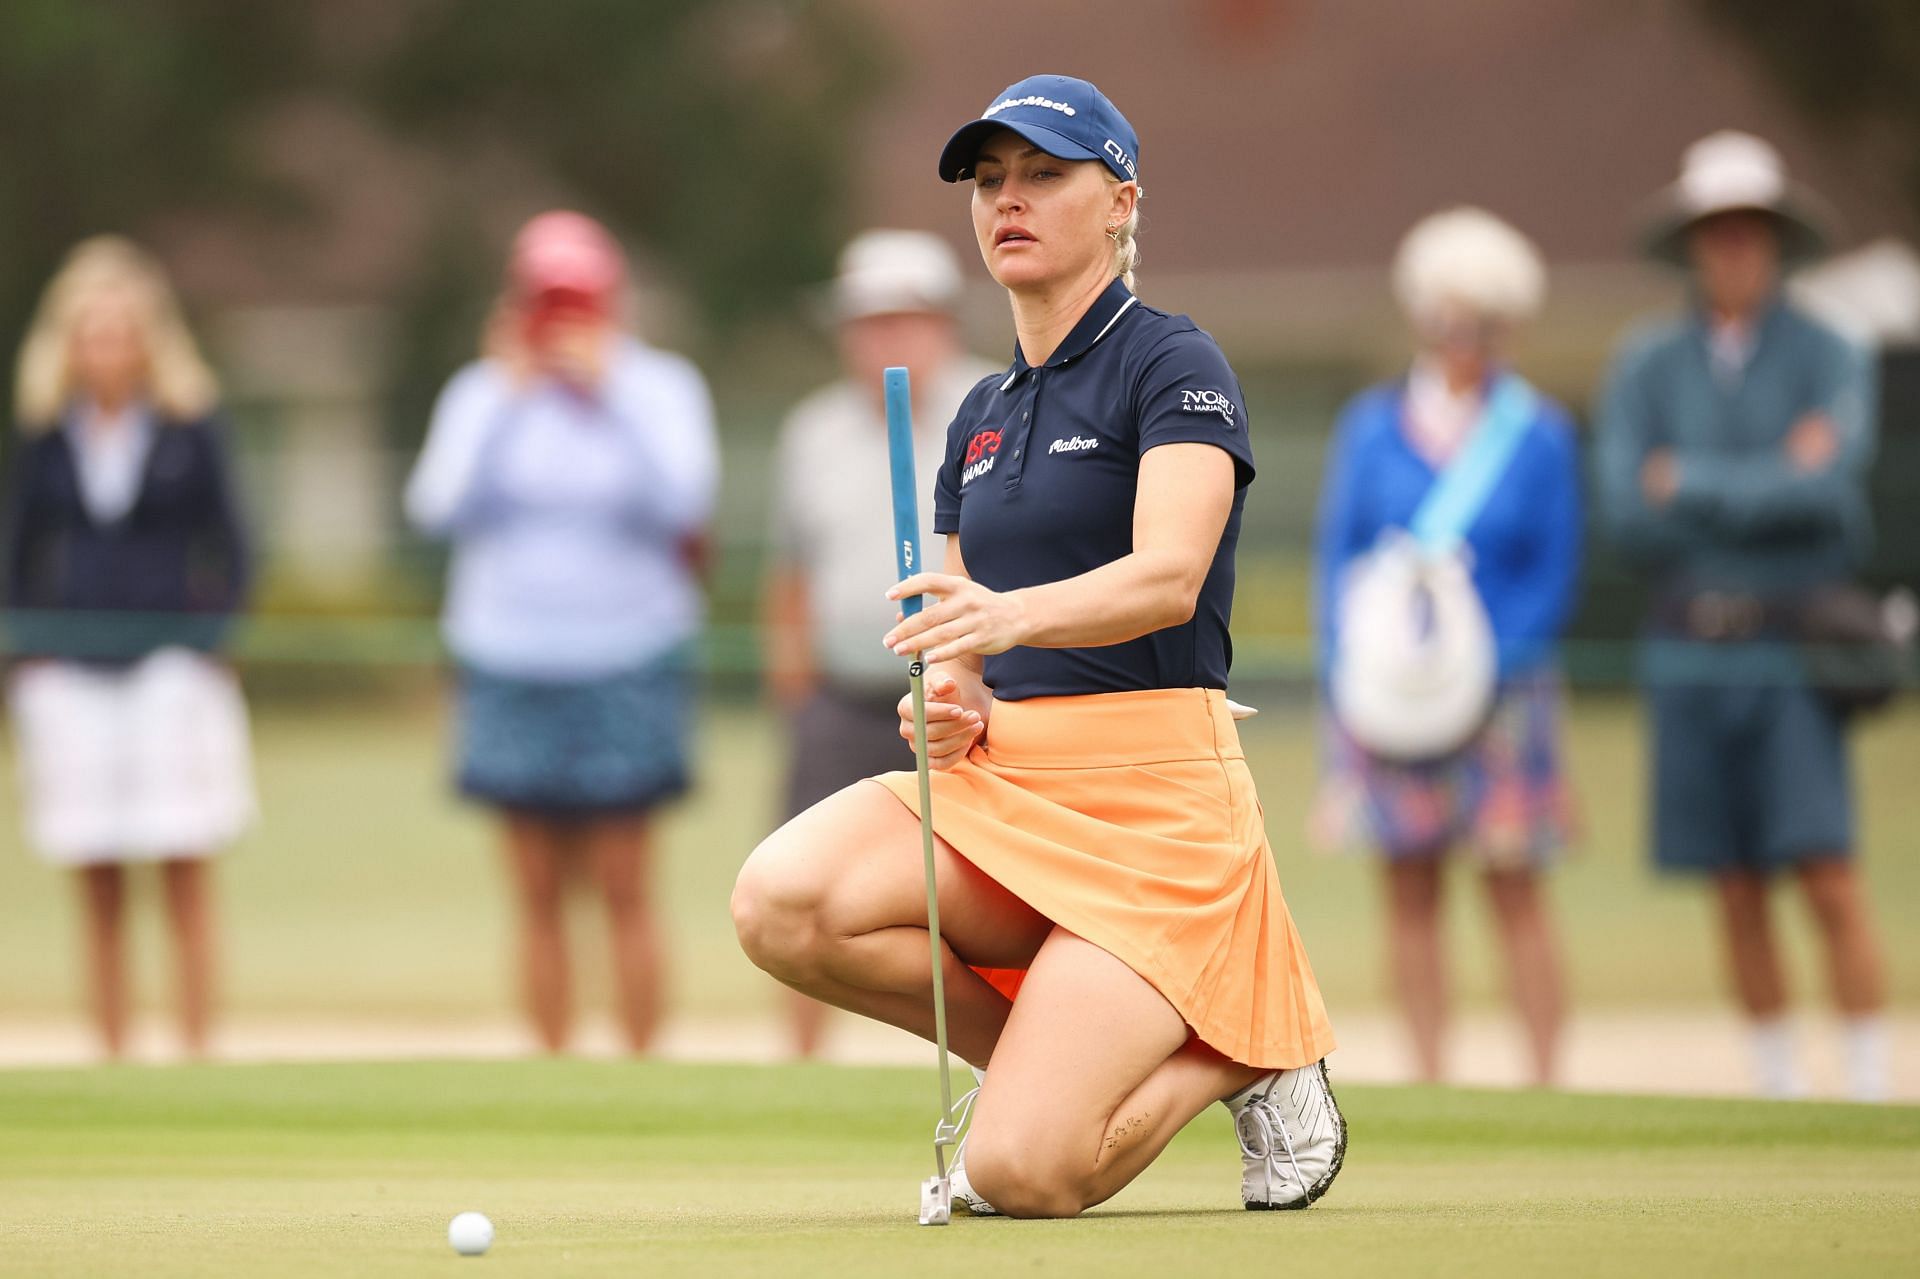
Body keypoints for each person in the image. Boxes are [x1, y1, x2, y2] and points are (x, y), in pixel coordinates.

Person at [733, 75, 1342, 1218]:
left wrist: (1004, 618)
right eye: (990, 181)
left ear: (1120, 203)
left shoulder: (1175, 364)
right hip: (1007, 788)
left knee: (1024, 1172)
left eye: (1045, 177)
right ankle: (1061, 1068)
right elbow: (956, 647)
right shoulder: (978, 411)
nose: (1008, 200)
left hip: (1153, 807)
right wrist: (950, 695)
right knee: (781, 900)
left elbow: (1169, 578)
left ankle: (1244, 1045)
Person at [1595, 132, 1889, 1101]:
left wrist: (1692, 480)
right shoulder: (1647, 363)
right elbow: (1628, 511)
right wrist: (1770, 476)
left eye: (1749, 231)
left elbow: (1829, 493)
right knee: (1731, 878)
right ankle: (1777, 1086)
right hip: (1690, 646)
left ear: (1776, 240)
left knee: (1823, 865)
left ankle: (1868, 1073)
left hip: (1795, 642)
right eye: (1716, 232)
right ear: (1693, 243)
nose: (1733, 249)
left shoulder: (1830, 350)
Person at [406, 211, 719, 1055]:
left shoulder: (658, 388)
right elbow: (437, 509)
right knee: (536, 892)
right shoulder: (481, 395)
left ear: (610, 304)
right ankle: (552, 1070)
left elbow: (685, 503)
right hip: (509, 656)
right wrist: (507, 400)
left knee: (626, 886)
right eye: (548, 302)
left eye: (577, 302)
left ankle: (643, 1069)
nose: (563, 322)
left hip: (628, 655)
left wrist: (607, 396)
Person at [1311, 209, 1581, 1087]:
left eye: (1484, 326)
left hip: (1503, 691)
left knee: (1515, 889)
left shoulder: (1537, 432)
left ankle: (1546, 1081)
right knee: (1411, 888)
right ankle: (1431, 1077)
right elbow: (1341, 556)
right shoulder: (1372, 426)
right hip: (1391, 693)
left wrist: (1487, 663)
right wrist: (1354, 667)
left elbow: (1552, 564)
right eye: (1449, 321)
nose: (1464, 341)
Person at [4, 236, 254, 1060]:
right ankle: (113, 1056)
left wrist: (207, 636)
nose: (105, 347)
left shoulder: (189, 424)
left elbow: (235, 543)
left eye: (120, 329)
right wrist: (27, 649)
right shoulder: (47, 433)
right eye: (90, 331)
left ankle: (196, 1053)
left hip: (168, 666)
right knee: (97, 872)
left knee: (183, 862)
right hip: (72, 671)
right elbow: (19, 551)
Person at [762, 229, 1001, 1058]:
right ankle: (803, 1064)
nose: (885, 338)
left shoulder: (996, 406)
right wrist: (793, 684)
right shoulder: (813, 430)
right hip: (844, 690)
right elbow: (789, 566)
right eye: (868, 321)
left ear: (941, 322)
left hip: (960, 694)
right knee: (800, 876)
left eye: (904, 318)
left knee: (980, 886)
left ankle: (1010, 1051)